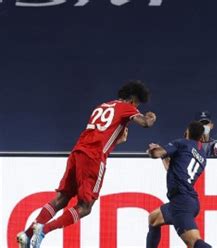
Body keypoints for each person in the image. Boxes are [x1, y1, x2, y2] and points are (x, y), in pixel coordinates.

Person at [17, 80, 157, 248]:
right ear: (133, 99)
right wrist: (150, 117)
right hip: (94, 158)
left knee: (62, 198)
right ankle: (44, 230)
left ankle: (27, 234)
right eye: (137, 104)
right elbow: (145, 123)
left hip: (78, 151)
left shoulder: (102, 106)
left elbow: (100, 133)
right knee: (85, 206)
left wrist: (116, 141)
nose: (137, 107)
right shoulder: (127, 107)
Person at [146, 121, 212, 248]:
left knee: (194, 243)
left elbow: (156, 153)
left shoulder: (181, 143)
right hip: (188, 201)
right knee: (153, 219)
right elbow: (173, 168)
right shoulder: (202, 156)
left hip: (181, 202)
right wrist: (164, 157)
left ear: (187, 131)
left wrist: (153, 150)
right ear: (201, 137)